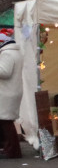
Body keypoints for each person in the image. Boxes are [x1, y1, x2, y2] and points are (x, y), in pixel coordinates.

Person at [0, 27, 24, 159]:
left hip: (6, 92)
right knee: (5, 121)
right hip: (11, 91)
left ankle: (13, 150)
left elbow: (4, 72)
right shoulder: (15, 52)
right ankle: (8, 148)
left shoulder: (7, 54)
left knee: (6, 122)